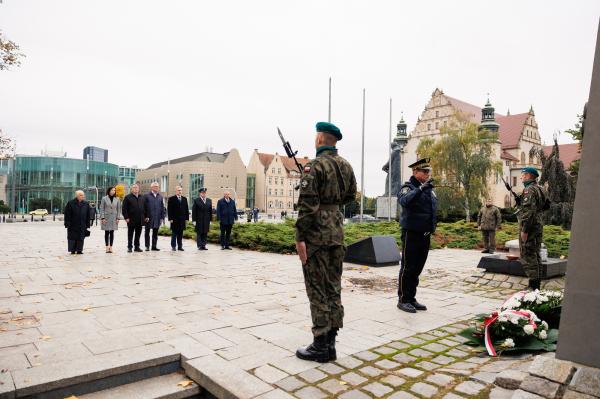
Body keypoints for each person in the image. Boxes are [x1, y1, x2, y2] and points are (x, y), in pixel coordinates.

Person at [295, 121, 357, 363]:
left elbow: (307, 207)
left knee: (317, 288)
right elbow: (351, 196)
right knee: (333, 287)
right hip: (337, 232)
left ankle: (320, 345)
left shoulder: (314, 166)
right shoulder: (346, 166)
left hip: (317, 236)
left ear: (320, 139)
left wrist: (300, 237)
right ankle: (331, 343)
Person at [397, 158, 438, 314]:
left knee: (417, 268)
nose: (428, 174)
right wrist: (420, 189)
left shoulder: (428, 189)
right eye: (424, 171)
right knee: (408, 267)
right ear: (415, 172)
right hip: (411, 233)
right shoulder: (408, 187)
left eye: (429, 171)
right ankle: (403, 299)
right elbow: (405, 201)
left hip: (425, 234)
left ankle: (411, 297)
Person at [518, 167, 548, 290]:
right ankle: (536, 284)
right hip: (537, 225)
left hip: (530, 226)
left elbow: (529, 212)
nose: (521, 177)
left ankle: (533, 285)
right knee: (535, 254)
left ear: (528, 176)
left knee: (528, 254)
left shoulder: (529, 190)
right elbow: (546, 205)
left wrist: (525, 230)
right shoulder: (541, 189)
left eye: (523, 175)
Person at [64, 190, 91, 254]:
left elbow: (88, 215)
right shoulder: (70, 203)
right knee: (72, 237)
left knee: (81, 237)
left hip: (82, 224)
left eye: (83, 195)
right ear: (77, 196)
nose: (83, 196)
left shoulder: (86, 203)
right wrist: (67, 223)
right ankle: (72, 250)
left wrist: (88, 224)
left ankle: (79, 250)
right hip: (73, 224)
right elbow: (67, 214)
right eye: (81, 195)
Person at [122, 184, 146, 253]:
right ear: (131, 189)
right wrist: (126, 217)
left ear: (138, 189)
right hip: (131, 219)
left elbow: (145, 208)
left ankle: (137, 247)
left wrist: (146, 216)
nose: (136, 189)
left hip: (140, 219)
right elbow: (124, 209)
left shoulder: (142, 197)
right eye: (134, 188)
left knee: (138, 234)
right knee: (130, 234)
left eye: (137, 188)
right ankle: (129, 247)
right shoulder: (127, 197)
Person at [99, 186, 121, 253]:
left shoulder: (117, 199)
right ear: (109, 191)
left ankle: (111, 247)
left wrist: (118, 218)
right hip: (106, 218)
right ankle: (106, 247)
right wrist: (102, 218)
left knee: (112, 232)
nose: (113, 191)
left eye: (114, 190)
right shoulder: (104, 198)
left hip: (114, 218)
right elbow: (101, 208)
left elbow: (118, 209)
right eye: (112, 190)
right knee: (106, 232)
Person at [144, 182, 165, 251]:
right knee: (147, 232)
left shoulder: (160, 196)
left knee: (155, 233)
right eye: (155, 186)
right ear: (152, 187)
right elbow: (144, 207)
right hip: (148, 217)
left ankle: (154, 246)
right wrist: (145, 216)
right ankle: (147, 246)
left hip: (157, 218)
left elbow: (162, 208)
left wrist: (162, 217)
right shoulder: (146, 196)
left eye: (157, 186)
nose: (156, 188)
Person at [167, 186, 189, 251]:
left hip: (182, 220)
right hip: (174, 220)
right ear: (176, 191)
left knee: (180, 234)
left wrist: (187, 218)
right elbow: (169, 209)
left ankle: (180, 246)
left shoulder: (184, 199)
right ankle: (173, 246)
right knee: (174, 234)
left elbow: (186, 209)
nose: (180, 191)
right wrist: (170, 218)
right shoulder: (171, 199)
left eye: (181, 190)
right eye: (178, 190)